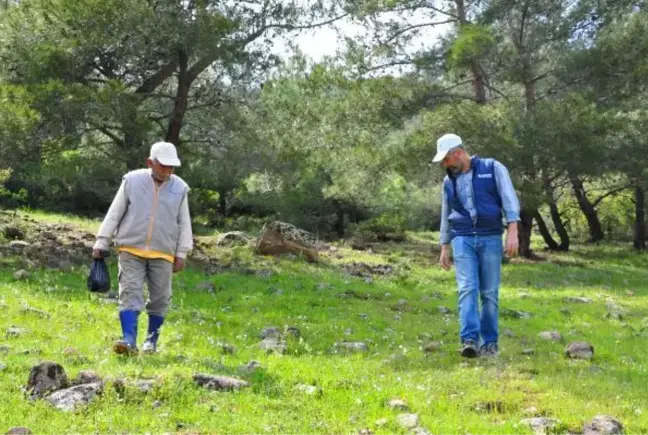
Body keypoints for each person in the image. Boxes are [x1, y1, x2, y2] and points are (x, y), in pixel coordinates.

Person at [93, 141, 193, 355]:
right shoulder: (132, 181)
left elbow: (184, 222)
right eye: (163, 165)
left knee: (160, 298)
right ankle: (129, 341)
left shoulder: (180, 188)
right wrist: (102, 241)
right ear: (150, 162)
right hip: (131, 248)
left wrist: (182, 252)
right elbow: (115, 212)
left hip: (164, 252)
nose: (168, 171)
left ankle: (151, 342)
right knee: (129, 292)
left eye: (171, 167)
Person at [434, 133, 519, 358]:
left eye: (446, 159)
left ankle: (489, 342)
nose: (444, 164)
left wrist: (513, 230)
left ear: (458, 153)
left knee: (489, 292)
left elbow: (509, 198)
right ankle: (469, 340)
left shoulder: (493, 168)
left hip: (490, 236)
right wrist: (444, 246)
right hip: (462, 238)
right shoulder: (448, 181)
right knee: (467, 289)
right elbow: (445, 214)